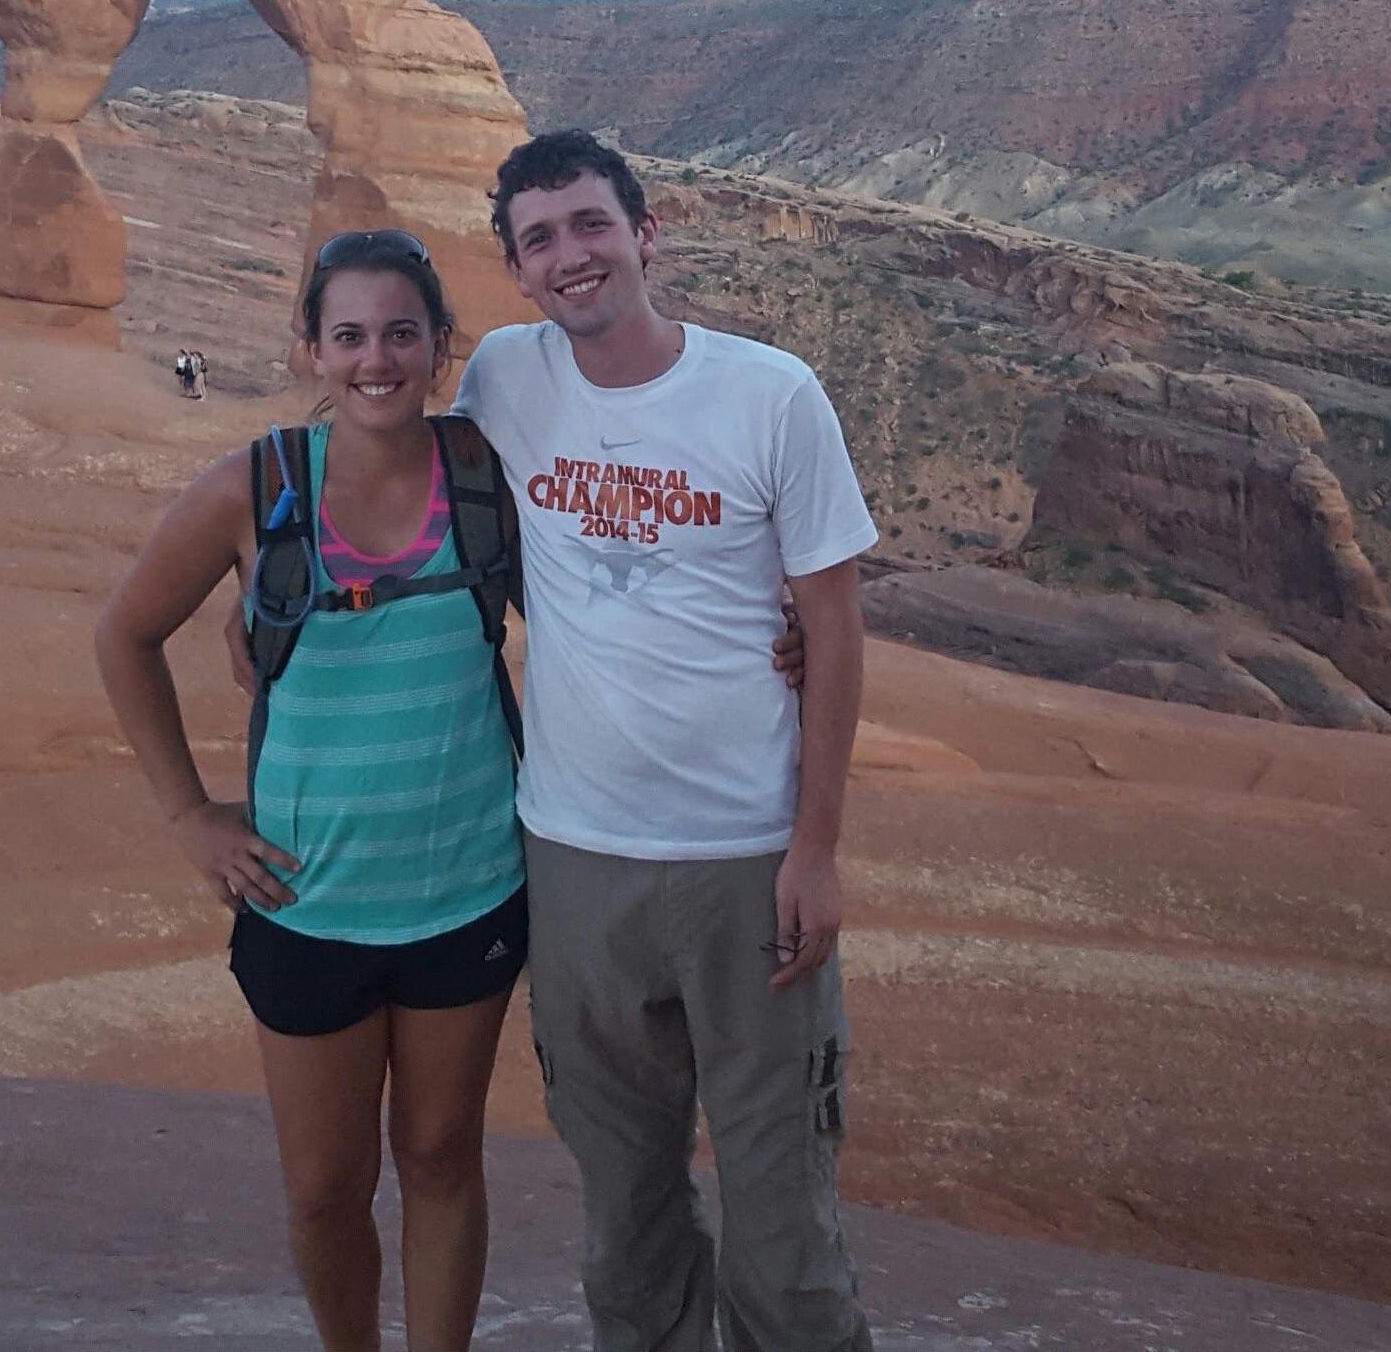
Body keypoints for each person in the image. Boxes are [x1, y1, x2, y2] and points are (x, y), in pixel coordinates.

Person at [455, 130, 876, 1350]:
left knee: (784, 1229)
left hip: (747, 859)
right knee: (624, 1225)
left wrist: (818, 848)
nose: (571, 256)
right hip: (575, 859)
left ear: (646, 234)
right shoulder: (503, 377)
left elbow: (837, 631)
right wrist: (265, 604)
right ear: (519, 274)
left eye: (591, 225)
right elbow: (410, 497)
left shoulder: (769, 393)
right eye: (541, 240)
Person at [98, 233, 528, 1352]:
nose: (374, 359)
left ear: (440, 348)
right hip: (308, 905)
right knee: (324, 1191)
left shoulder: (486, 480)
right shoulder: (257, 488)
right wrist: (189, 815)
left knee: (440, 1157)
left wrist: (775, 633)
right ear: (311, 350)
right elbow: (126, 635)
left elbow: (617, 597)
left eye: (401, 333)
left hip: (469, 891)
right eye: (349, 336)